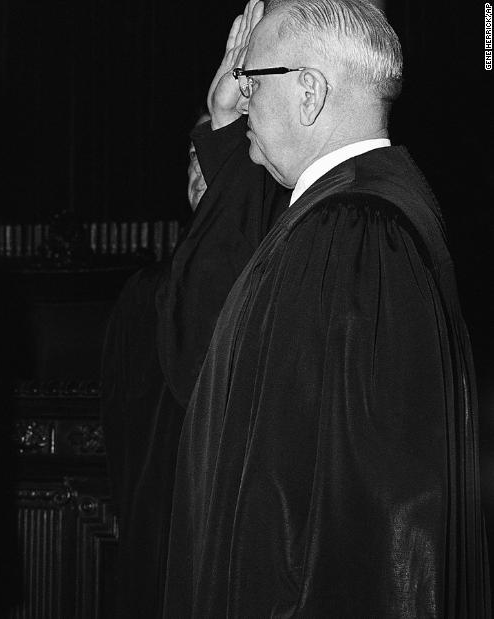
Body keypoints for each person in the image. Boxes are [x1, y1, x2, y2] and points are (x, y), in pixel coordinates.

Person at [163, 0, 490, 615]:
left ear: (309, 92)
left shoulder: (355, 230)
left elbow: (370, 524)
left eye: (250, 80)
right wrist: (225, 126)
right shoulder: (357, 209)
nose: (240, 96)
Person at [100, 38, 289, 614]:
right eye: (194, 159)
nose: (201, 174)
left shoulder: (272, 283)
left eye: (222, 159)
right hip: (155, 527)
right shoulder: (146, 289)